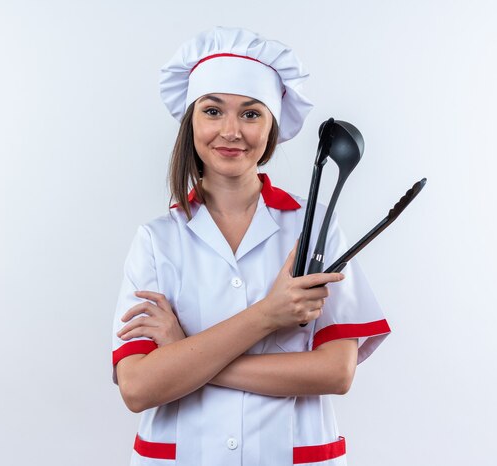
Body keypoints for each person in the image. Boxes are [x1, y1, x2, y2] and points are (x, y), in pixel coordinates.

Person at [112, 27, 390, 466]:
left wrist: (185, 354)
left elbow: (336, 372)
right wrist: (268, 315)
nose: (231, 131)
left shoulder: (313, 225)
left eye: (251, 114)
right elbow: (138, 387)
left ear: (272, 126)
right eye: (213, 111)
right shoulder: (156, 240)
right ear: (191, 121)